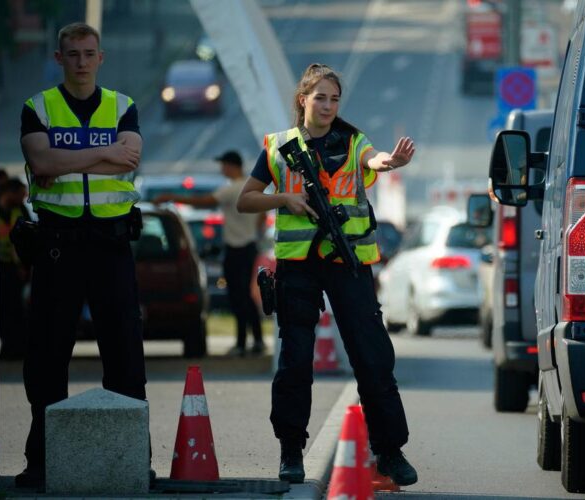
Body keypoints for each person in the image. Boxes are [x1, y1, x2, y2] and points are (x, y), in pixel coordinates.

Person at [236, 63, 418, 486]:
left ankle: (389, 452)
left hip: (348, 261)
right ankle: (291, 451)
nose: (329, 106)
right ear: (303, 100)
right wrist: (287, 199)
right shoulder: (279, 146)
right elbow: (246, 200)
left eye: (334, 99)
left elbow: (376, 159)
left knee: (372, 357)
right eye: (321, 97)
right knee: (296, 360)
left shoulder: (354, 142)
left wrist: (392, 161)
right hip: (298, 265)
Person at [16, 22, 147, 488]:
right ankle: (42, 459)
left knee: (125, 352)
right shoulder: (39, 107)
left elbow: (128, 158)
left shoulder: (122, 105)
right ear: (59, 58)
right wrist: (104, 152)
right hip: (58, 246)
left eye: (89, 53)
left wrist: (67, 159)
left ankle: (133, 456)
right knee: (48, 354)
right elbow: (42, 164)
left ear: (101, 57)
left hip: (111, 244)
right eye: (72, 54)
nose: (81, 61)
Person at [152, 151, 266, 356]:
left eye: (223, 165)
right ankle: (256, 340)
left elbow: (204, 202)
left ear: (232, 166)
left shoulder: (232, 189)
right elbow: (263, 216)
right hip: (249, 246)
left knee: (237, 296)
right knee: (246, 296)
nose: (222, 169)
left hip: (236, 249)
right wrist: (253, 233)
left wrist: (171, 197)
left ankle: (241, 343)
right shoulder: (252, 187)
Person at [0, 178, 30, 360]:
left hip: (15, 269)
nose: (23, 199)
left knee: (17, 310)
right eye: (21, 195)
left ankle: (16, 347)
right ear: (10, 192)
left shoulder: (20, 210)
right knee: (2, 311)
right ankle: (8, 346)